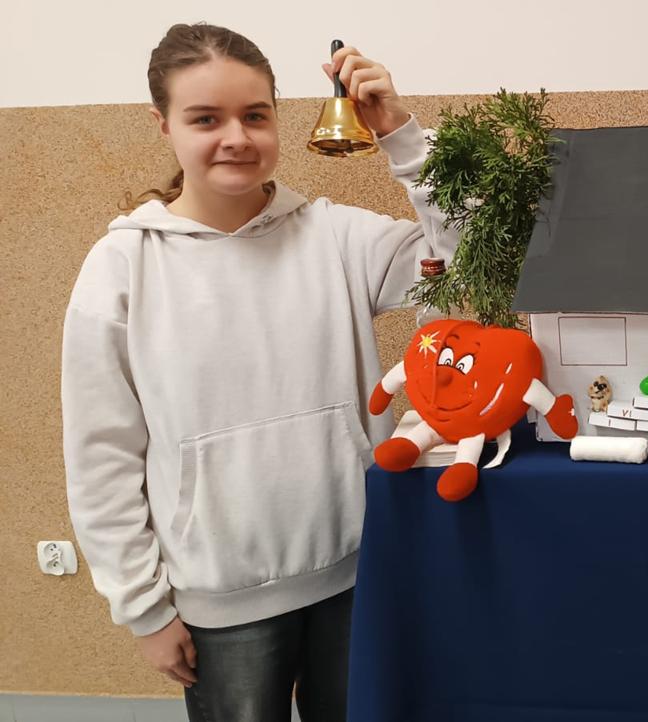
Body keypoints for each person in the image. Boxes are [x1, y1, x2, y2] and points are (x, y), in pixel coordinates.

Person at [60, 22, 457, 721]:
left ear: (277, 116)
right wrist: (143, 608)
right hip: (222, 603)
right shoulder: (122, 268)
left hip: (358, 575)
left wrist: (401, 133)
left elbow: (468, 259)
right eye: (205, 119)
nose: (235, 137)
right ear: (162, 125)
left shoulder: (335, 236)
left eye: (254, 115)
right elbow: (101, 456)